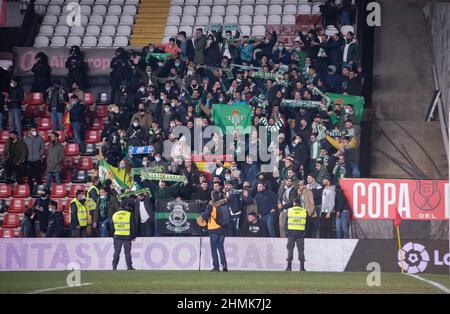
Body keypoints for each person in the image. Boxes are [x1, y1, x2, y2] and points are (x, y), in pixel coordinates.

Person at [201, 187, 228, 272]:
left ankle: (216, 267)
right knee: (221, 247)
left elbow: (205, 215)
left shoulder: (211, 204)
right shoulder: (224, 203)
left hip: (213, 229)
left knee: (213, 248)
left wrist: (201, 214)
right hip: (223, 229)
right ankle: (224, 266)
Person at [112, 201, 136, 270]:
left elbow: (112, 226)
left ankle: (114, 267)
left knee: (116, 252)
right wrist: (134, 236)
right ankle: (129, 266)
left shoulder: (115, 214)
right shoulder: (129, 214)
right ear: (126, 206)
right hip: (127, 236)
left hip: (117, 235)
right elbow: (133, 226)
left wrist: (113, 235)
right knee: (127, 252)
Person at [285, 198, 307, 272]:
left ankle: (289, 267)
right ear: (299, 203)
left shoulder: (289, 211)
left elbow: (286, 223)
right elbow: (308, 224)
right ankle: (302, 267)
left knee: (290, 250)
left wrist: (286, 232)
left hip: (291, 233)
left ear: (293, 203)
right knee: (301, 250)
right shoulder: (304, 211)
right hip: (301, 234)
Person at [24, 128, 45, 193]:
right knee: (29, 178)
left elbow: (42, 148)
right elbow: (24, 149)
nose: (34, 131)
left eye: (34, 130)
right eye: (32, 130)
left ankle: (40, 191)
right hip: (29, 161)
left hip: (37, 160)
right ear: (29, 131)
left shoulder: (40, 138)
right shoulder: (25, 139)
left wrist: (39, 156)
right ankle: (31, 191)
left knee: (38, 176)